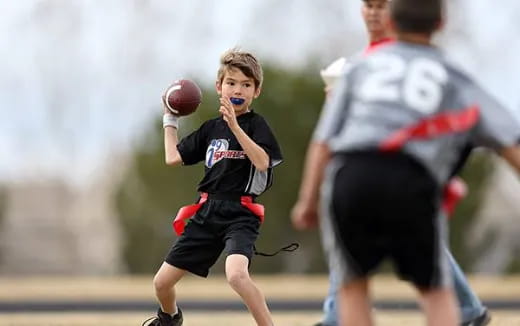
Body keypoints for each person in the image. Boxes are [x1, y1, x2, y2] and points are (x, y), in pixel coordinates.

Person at [291, 0, 520, 324]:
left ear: (392, 22)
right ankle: (465, 313)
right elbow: (509, 140)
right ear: (441, 24)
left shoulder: (360, 67)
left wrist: (307, 200)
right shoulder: (451, 73)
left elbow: (323, 141)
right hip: (409, 178)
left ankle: (336, 319)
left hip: (351, 175)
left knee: (353, 286)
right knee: (436, 291)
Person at [142, 48, 283, 326]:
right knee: (161, 284)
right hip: (207, 213)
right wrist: (170, 119)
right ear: (219, 87)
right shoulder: (210, 128)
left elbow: (263, 162)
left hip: (241, 214)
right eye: (231, 82)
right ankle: (169, 319)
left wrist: (236, 127)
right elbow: (173, 158)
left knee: (236, 276)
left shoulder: (256, 125)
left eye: (246, 84)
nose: (238, 89)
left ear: (257, 90)